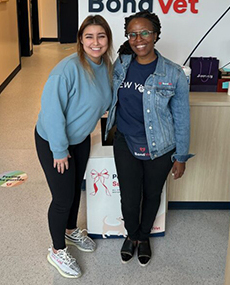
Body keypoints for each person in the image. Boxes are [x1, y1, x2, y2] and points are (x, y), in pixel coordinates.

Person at [105, 10, 193, 267]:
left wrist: (181, 156)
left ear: (155, 35)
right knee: (129, 197)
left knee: (152, 194)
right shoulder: (121, 65)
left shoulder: (174, 74)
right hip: (125, 141)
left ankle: (144, 238)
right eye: (132, 33)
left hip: (162, 147)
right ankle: (131, 235)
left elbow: (182, 117)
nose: (138, 38)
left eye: (144, 32)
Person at [35, 15, 113, 278]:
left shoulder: (106, 65)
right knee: (63, 198)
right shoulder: (66, 69)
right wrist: (59, 150)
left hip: (80, 140)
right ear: (81, 39)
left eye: (101, 36)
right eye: (89, 36)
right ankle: (57, 250)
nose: (95, 42)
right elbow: (52, 111)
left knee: (75, 191)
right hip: (53, 140)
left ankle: (70, 232)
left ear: (107, 39)